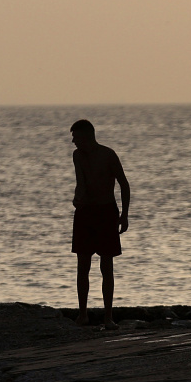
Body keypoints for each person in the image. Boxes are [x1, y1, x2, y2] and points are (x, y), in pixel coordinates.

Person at [70, 120, 130, 329]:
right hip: (85, 212)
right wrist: (78, 198)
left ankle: (108, 317)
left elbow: (124, 183)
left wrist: (124, 215)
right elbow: (81, 182)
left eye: (76, 138)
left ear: (87, 136)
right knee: (82, 266)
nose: (74, 142)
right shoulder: (77, 156)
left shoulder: (107, 155)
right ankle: (83, 314)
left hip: (106, 211)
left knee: (107, 266)